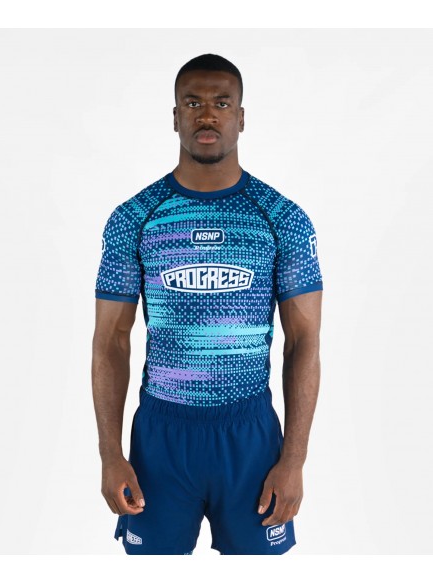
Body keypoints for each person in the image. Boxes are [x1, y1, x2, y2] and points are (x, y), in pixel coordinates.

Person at [91, 53, 323, 555]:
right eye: (193, 103)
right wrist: (110, 452)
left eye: (222, 102)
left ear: (241, 116)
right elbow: (111, 340)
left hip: (250, 439)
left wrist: (294, 459)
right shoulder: (134, 218)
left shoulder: (283, 218)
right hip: (160, 439)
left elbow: (304, 341)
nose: (208, 115)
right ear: (176, 116)